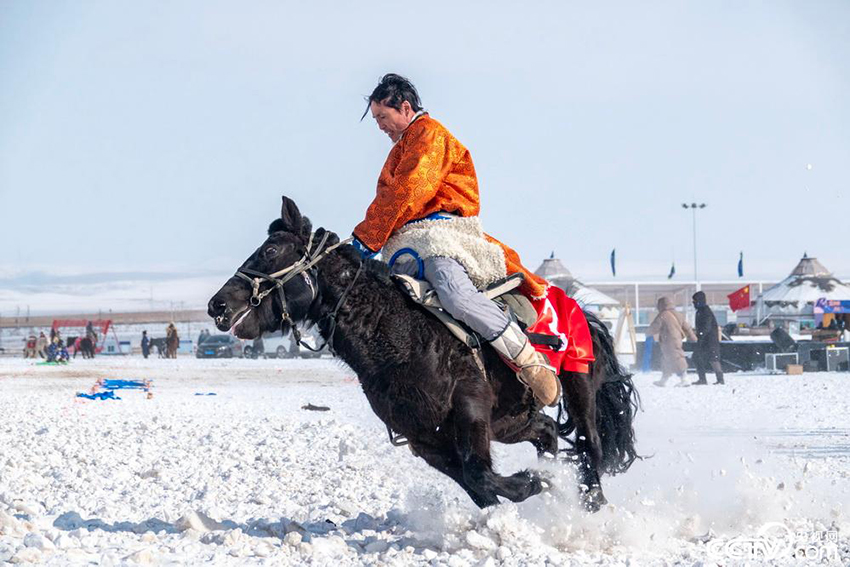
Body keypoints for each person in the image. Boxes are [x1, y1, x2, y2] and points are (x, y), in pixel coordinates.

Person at [352, 74, 564, 406]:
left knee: (455, 295)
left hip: (441, 237)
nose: (379, 126)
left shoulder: (430, 136)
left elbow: (408, 192)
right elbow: (390, 199)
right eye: (376, 118)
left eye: (382, 117)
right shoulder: (402, 147)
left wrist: (365, 239)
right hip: (405, 243)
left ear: (405, 108)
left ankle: (531, 363)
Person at [647, 296, 697, 387]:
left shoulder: (663, 315)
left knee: (676, 358)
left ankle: (685, 378)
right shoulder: (678, 314)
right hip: (676, 339)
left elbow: (655, 326)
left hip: (668, 340)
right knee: (667, 359)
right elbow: (687, 327)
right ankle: (664, 380)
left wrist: (648, 332)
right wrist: (693, 337)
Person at [692, 291, 724, 385]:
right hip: (704, 340)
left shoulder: (705, 311)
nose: (693, 303)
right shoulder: (700, 311)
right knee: (697, 357)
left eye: (695, 301)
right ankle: (702, 379)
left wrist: (701, 335)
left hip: (710, 340)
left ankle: (720, 379)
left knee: (713, 359)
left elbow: (706, 326)